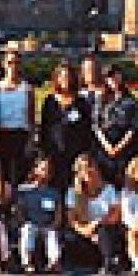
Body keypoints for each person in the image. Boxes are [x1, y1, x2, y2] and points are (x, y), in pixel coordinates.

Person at [37, 64, 93, 193]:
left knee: (75, 191)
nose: (65, 80)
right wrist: (44, 155)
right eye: (62, 76)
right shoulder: (49, 101)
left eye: (68, 76)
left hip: (76, 155)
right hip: (54, 154)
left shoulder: (82, 102)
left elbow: (87, 129)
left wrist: (86, 154)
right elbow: (44, 128)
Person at [65, 151, 122, 275]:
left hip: (106, 230)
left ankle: (109, 262)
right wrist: (87, 230)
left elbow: (115, 216)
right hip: (84, 233)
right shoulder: (72, 192)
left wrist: (97, 224)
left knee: (105, 232)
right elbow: (72, 221)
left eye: (90, 166)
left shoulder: (109, 189)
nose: (88, 171)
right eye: (83, 169)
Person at [14, 155, 64, 274]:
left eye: (48, 170)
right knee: (27, 230)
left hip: (47, 224)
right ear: (35, 170)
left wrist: (55, 224)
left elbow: (58, 212)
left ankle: (54, 261)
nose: (45, 172)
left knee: (52, 234)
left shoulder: (53, 192)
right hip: (31, 223)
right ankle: (27, 262)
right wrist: (22, 221)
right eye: (43, 169)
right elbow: (18, 209)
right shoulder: (24, 190)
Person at [0, 51, 35, 186]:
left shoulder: (27, 89)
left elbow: (31, 119)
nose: (13, 66)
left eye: (16, 63)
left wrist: (30, 141)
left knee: (19, 176)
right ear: (4, 65)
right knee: (1, 176)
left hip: (20, 136)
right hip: (1, 135)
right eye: (10, 63)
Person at [91, 65, 138, 182]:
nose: (114, 80)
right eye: (110, 77)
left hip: (124, 146)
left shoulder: (130, 101)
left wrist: (118, 147)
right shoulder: (101, 100)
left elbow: (133, 127)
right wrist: (107, 146)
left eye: (116, 76)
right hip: (104, 146)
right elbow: (96, 125)